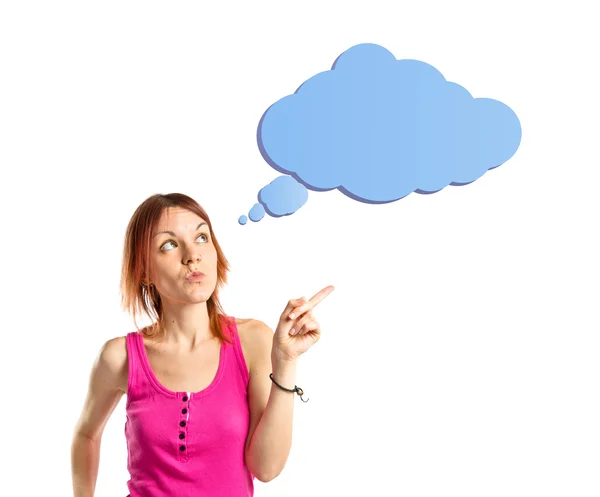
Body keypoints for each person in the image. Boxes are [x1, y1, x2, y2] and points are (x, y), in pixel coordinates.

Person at [70, 192, 334, 497]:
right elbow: (86, 435)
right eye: (169, 244)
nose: (192, 254)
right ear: (144, 271)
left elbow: (266, 468)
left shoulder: (253, 341)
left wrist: (286, 361)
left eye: (201, 237)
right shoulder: (119, 357)